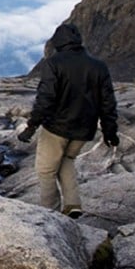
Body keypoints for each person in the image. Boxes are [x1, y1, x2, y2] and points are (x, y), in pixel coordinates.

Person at [18, 22, 119, 218]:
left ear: (57, 42)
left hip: (56, 128)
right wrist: (110, 132)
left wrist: (31, 126)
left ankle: (51, 214)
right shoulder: (98, 66)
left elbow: (46, 98)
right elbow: (108, 103)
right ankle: (73, 204)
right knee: (67, 160)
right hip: (84, 130)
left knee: (46, 170)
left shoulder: (54, 64)